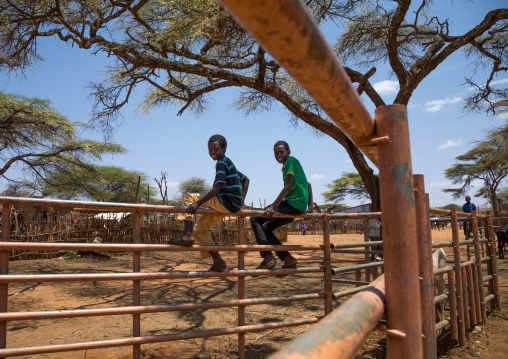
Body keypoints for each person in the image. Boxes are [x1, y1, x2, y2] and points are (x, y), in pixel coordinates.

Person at [167, 134, 249, 272]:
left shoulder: (222, 162)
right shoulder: (231, 165)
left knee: (190, 197)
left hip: (223, 201)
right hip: (230, 206)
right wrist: (241, 200)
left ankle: (187, 234)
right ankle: (218, 261)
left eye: (215, 149)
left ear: (224, 148)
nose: (212, 152)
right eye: (209, 149)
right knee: (200, 229)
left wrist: (197, 203)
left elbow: (217, 188)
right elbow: (246, 180)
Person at [250, 140, 313, 276]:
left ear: (288, 152)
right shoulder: (292, 165)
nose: (278, 155)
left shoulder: (290, 161)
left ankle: (267, 257)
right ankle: (288, 258)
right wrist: (310, 206)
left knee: (255, 218)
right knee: (266, 227)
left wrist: (273, 206)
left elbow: (288, 187)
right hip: (297, 206)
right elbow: (308, 185)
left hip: (291, 204)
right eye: (276, 153)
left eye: (281, 152)